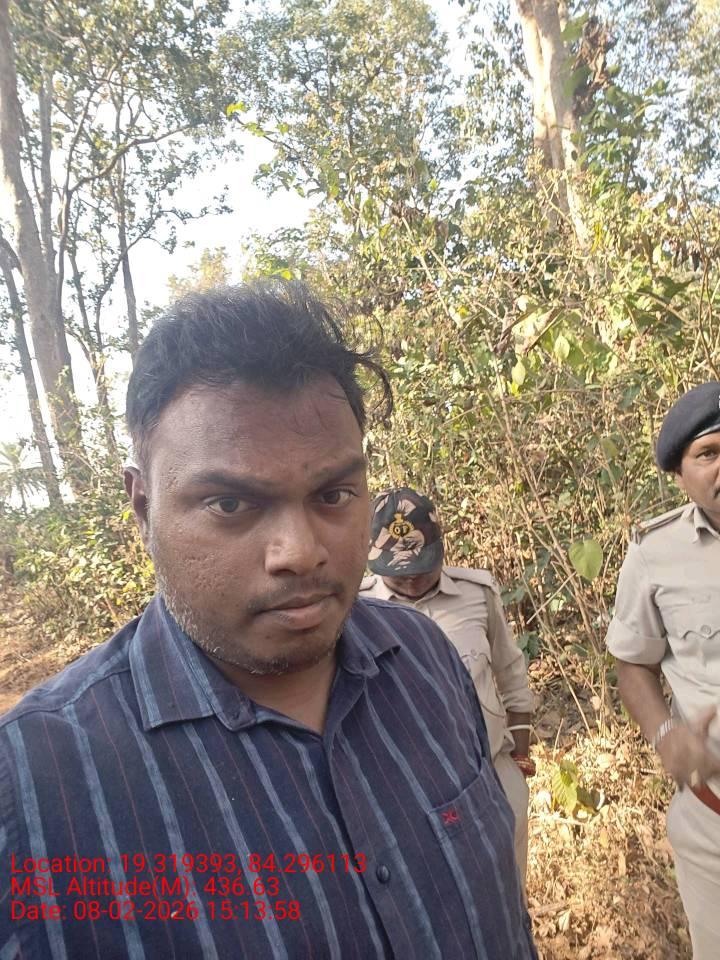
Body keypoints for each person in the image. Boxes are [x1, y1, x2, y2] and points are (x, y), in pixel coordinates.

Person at [0, 281, 536, 959]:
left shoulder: (425, 659)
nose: (300, 552)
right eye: (230, 504)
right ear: (142, 506)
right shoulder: (36, 782)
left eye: (333, 494)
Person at [360, 488, 535, 884]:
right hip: (407, 794)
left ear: (440, 548)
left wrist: (519, 762)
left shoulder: (477, 594)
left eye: (420, 566)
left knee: (508, 892)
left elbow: (510, 674)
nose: (411, 579)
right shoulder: (357, 611)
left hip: (492, 776)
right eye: (398, 571)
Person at [606, 380, 720, 960]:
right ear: (679, 474)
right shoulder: (655, 554)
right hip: (713, 822)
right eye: (709, 453)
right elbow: (632, 665)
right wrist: (666, 734)